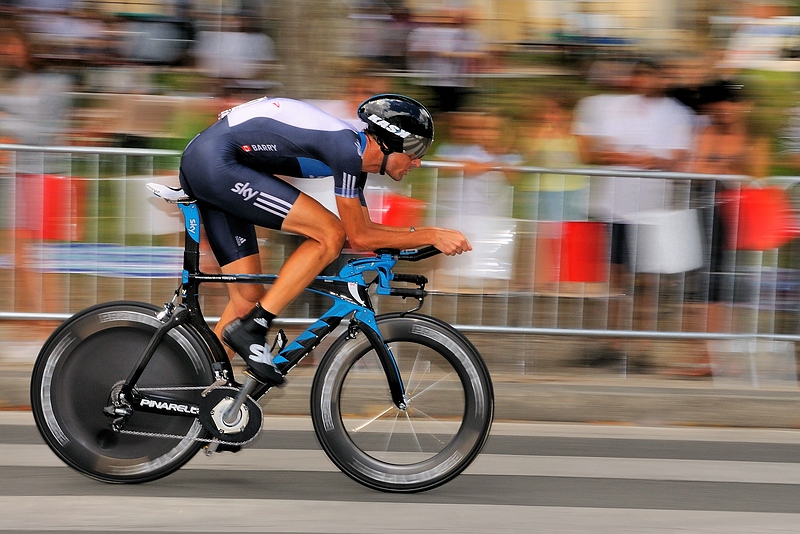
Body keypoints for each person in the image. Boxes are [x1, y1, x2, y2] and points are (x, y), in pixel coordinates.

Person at [178, 94, 471, 384]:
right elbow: (359, 237)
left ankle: (191, 387)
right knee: (329, 234)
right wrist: (431, 234)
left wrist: (420, 239)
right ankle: (256, 325)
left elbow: (366, 232)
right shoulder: (346, 149)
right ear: (387, 142)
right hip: (215, 164)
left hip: (212, 161)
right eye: (415, 149)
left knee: (246, 299)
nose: (418, 162)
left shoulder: (353, 157)